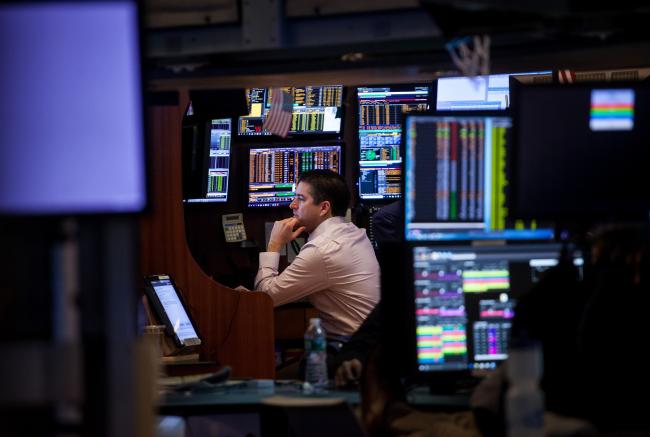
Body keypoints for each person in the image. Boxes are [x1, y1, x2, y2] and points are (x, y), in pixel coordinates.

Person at [254, 169, 380, 340]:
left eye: (300, 199)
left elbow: (264, 299)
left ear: (324, 208)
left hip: (352, 350)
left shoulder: (322, 250)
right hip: (371, 342)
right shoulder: (353, 232)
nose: (292, 205)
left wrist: (274, 244)